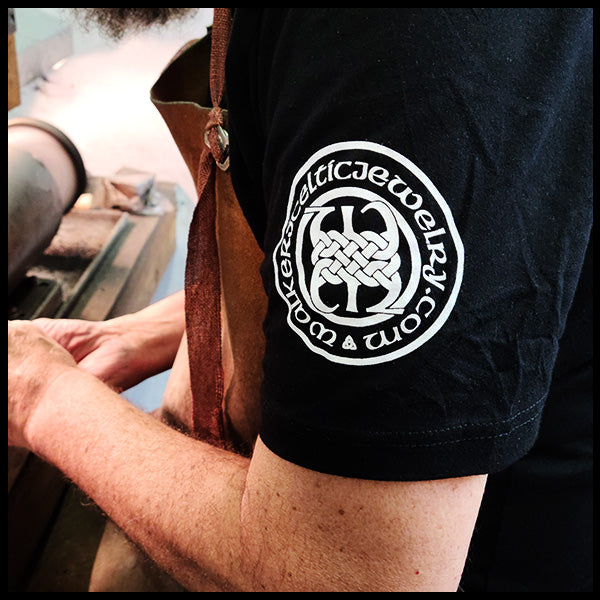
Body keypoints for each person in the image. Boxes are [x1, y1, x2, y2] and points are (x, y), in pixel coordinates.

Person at [8, 8, 593, 592]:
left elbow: (343, 572)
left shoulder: (408, 39)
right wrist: (170, 323)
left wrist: (41, 394)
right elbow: (443, 277)